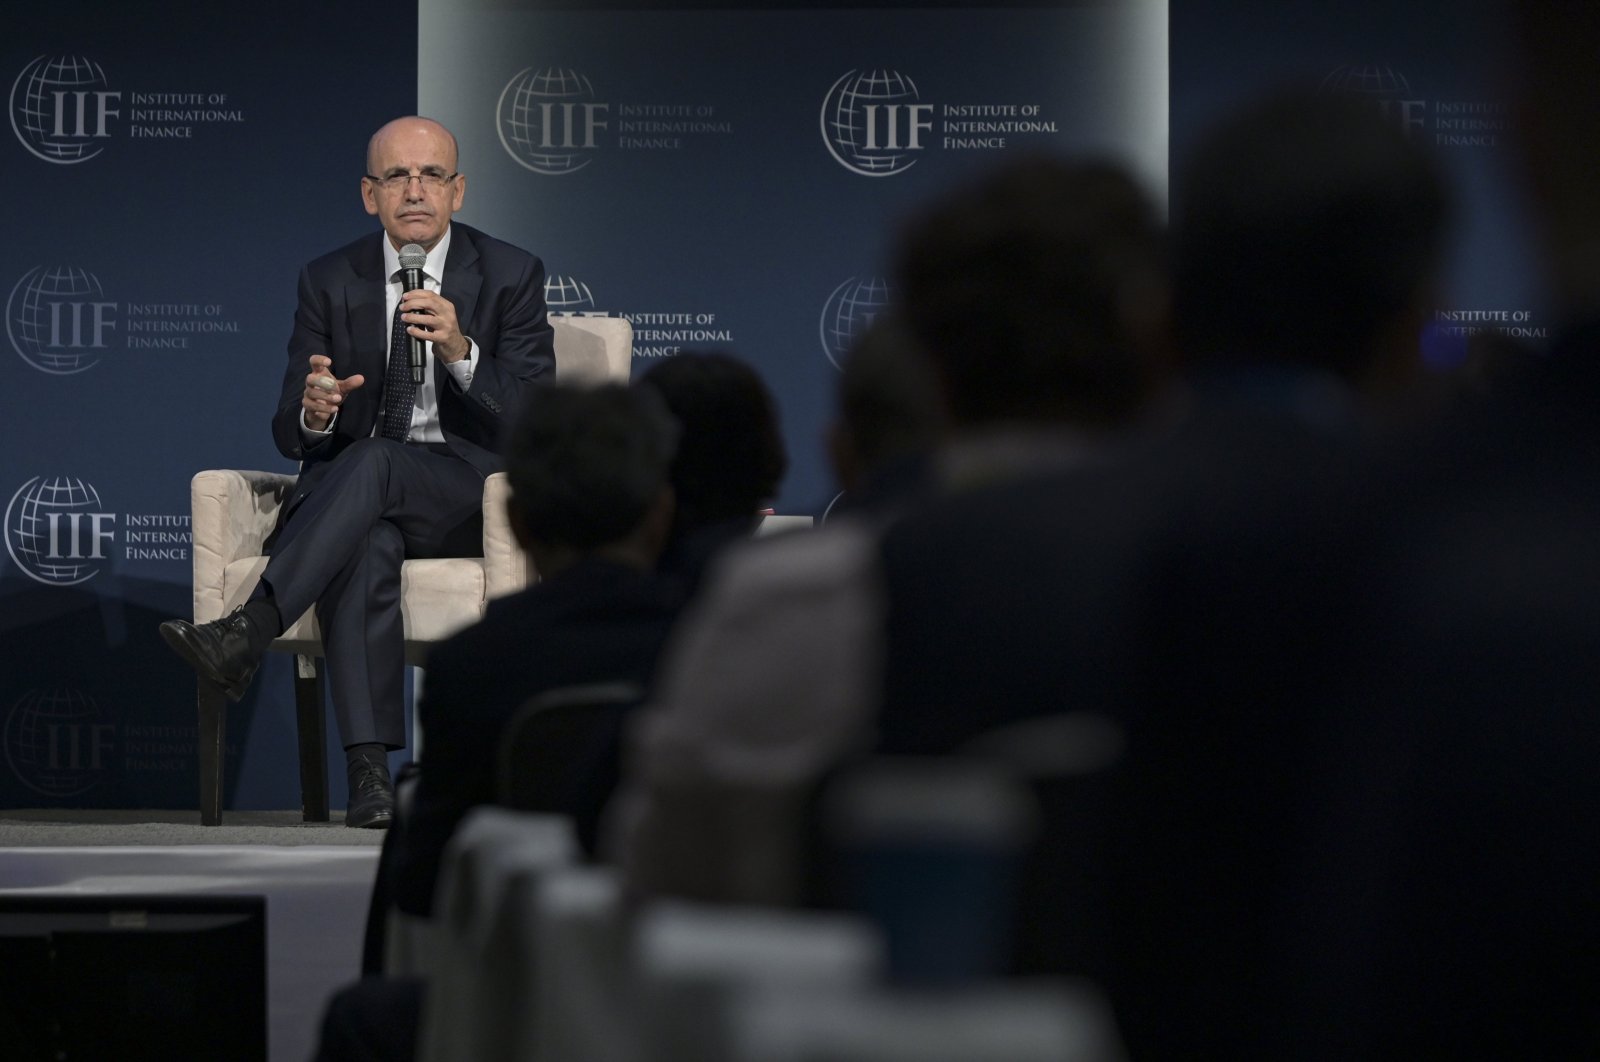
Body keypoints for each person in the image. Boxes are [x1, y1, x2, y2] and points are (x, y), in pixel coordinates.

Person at [605, 157, 1168, 907]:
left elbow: (666, 890)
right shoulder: (1275, 596)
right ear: (1162, 347)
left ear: (931, 373)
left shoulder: (792, 602)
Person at [160, 116, 555, 828]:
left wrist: (464, 350)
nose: (414, 190)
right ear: (368, 194)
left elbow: (536, 419)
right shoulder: (329, 278)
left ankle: (247, 633)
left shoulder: (511, 273)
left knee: (372, 461)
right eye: (396, 177)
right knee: (367, 540)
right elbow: (291, 431)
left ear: (458, 190)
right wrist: (316, 411)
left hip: (466, 495)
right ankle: (370, 777)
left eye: (431, 175)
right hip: (359, 498)